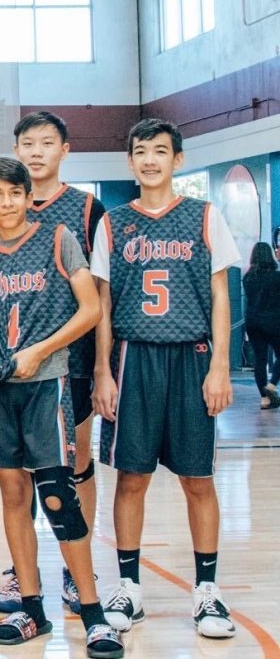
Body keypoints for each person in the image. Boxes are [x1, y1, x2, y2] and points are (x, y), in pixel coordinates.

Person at [0, 157, 123, 657]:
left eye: (15, 193)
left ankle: (94, 614)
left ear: (27, 197)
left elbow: (91, 308)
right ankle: (31, 608)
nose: (7, 203)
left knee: (57, 494)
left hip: (47, 384)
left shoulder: (57, 238)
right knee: (13, 492)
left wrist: (39, 351)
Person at [91, 118, 241, 639]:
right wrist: (102, 372)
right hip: (133, 358)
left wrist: (221, 364)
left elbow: (221, 295)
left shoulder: (204, 216)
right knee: (130, 477)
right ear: (130, 162)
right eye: (141, 151)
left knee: (198, 479)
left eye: (160, 151)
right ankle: (129, 588)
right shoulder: (112, 223)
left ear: (178, 160)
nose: (150, 160)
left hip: (191, 357)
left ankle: (206, 591)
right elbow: (103, 306)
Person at [0, 111, 107, 614]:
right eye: (27, 143)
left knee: (74, 467)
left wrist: (103, 367)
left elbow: (101, 294)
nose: (36, 152)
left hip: (71, 362)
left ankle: (79, 573)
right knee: (20, 474)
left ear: (65, 150)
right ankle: (23, 573)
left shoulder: (86, 208)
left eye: (46, 143)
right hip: (13, 368)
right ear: (16, 151)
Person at [242, 241, 280, 408]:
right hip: (273, 321)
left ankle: (264, 399)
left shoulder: (247, 278)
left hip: (253, 322)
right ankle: (271, 385)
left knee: (260, 359)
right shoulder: (277, 278)